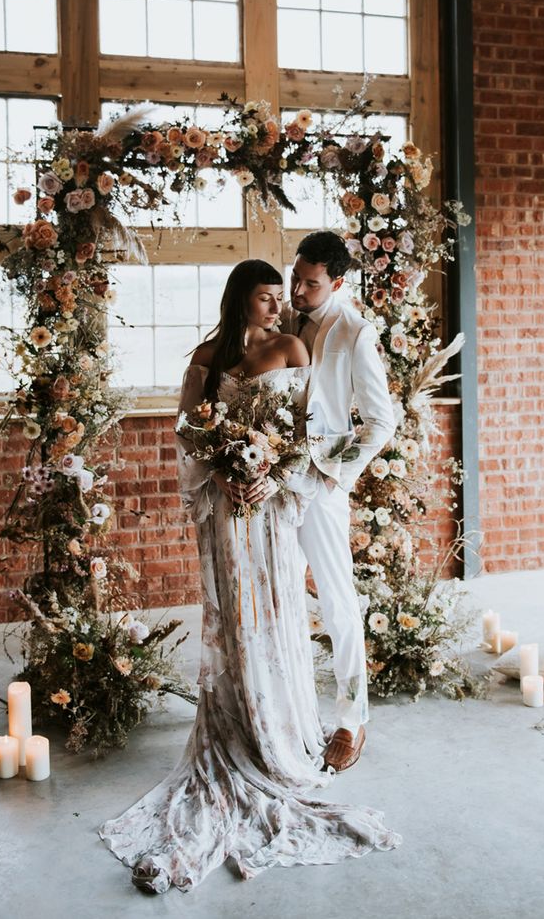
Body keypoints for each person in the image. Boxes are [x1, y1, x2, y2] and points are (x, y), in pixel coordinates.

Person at [99, 259, 401, 893]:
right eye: (266, 297)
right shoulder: (207, 358)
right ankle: (234, 722)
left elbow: (306, 430)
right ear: (241, 300)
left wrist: (272, 471)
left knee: (283, 609)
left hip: (274, 506)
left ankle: (285, 726)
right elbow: (187, 432)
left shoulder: (294, 347)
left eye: (283, 295)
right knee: (235, 618)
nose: (279, 306)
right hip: (225, 511)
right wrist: (222, 466)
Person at [280, 231, 402, 773]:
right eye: (295, 278)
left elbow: (382, 421)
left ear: (338, 282)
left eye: (310, 284)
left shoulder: (354, 330)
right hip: (272, 482)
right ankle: (286, 710)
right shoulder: (278, 317)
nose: (298, 291)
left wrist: (338, 473)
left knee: (336, 600)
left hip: (321, 485)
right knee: (278, 598)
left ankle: (353, 720)